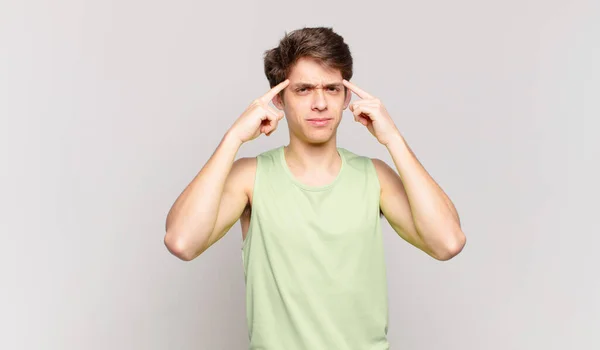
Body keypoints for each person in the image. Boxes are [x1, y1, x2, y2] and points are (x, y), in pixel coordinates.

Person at [164, 27, 466, 350]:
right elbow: (182, 241)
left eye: (332, 89)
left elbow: (447, 242)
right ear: (279, 98)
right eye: (304, 89)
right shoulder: (250, 178)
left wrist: (393, 140)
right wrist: (233, 139)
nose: (320, 103)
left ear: (347, 96)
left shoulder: (374, 177)